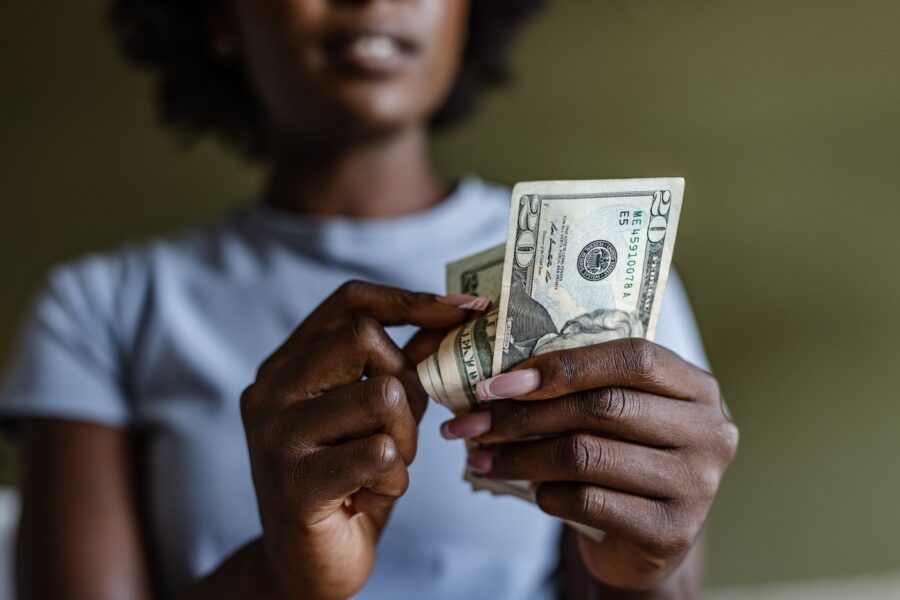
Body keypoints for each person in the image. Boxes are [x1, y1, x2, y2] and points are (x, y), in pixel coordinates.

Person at [0, 1, 738, 598]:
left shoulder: (608, 282)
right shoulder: (99, 309)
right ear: (220, 16)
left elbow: (625, 579)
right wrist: (281, 576)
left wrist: (643, 578)